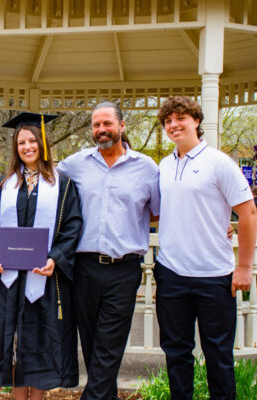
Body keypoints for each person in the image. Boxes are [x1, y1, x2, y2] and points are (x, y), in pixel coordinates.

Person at [155, 96, 257, 400]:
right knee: (176, 353)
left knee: (218, 355)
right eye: (168, 121)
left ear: (196, 121)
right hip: (171, 274)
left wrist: (244, 267)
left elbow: (248, 212)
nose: (174, 125)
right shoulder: (164, 165)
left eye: (180, 118)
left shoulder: (218, 163)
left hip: (215, 275)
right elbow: (163, 210)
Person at [57, 102, 160, 400]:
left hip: (124, 269)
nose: (101, 130)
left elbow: (160, 211)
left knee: (109, 344)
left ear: (122, 125)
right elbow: (43, 184)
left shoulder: (146, 168)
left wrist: (223, 224)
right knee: (91, 344)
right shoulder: (75, 164)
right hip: (84, 267)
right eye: (96, 125)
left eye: (107, 124)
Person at [0, 112, 83, 400]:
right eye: (21, 142)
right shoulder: (2, 185)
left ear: (43, 145)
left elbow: (73, 227)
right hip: (7, 281)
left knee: (40, 342)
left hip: (43, 281)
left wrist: (55, 259)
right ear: (16, 147)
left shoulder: (62, 186)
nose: (27, 147)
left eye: (32, 141)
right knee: (9, 342)